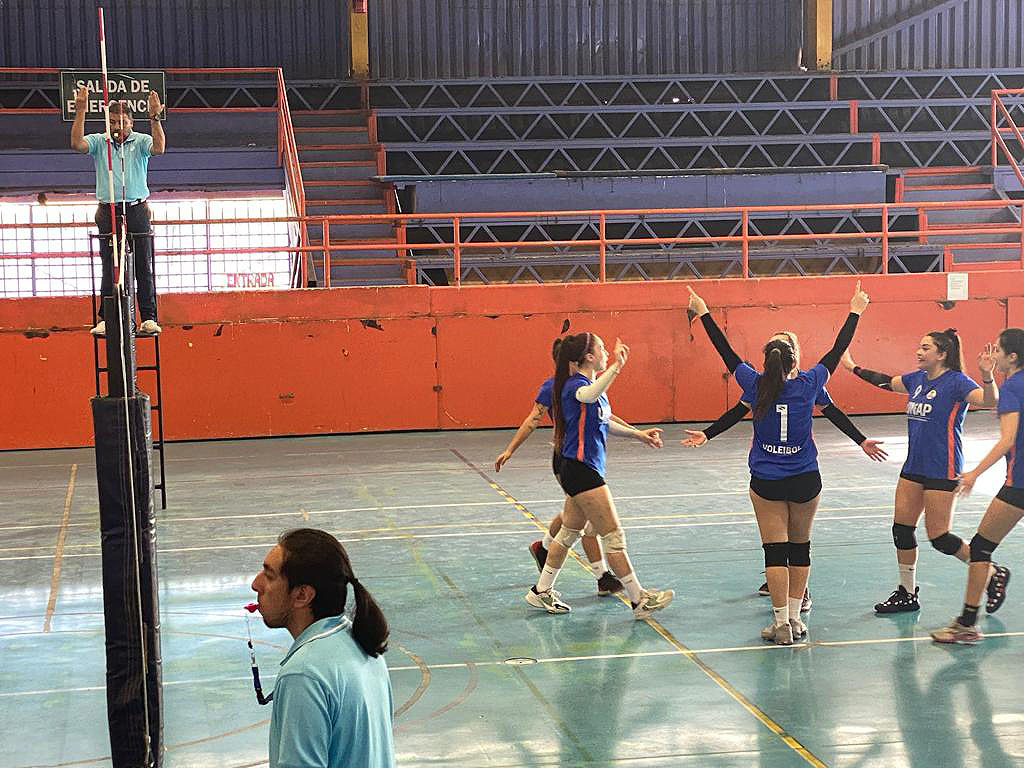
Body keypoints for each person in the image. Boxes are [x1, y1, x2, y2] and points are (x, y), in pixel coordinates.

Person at [688, 281, 870, 644]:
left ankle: (780, 623)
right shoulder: (811, 382)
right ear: (794, 361)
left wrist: (704, 311)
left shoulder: (754, 384)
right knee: (800, 548)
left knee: (775, 551)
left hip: (766, 480)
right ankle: (796, 618)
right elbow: (837, 350)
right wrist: (855, 310)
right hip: (805, 478)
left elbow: (725, 351)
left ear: (766, 360)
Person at [841, 331, 1004, 615]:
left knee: (939, 537)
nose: (918, 351)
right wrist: (852, 367)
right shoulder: (916, 379)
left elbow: (989, 401)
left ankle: (990, 573)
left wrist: (987, 375)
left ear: (942, 354)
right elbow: (885, 381)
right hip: (913, 466)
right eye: (919, 346)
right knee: (902, 530)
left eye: (925, 348)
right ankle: (907, 593)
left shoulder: (957, 382)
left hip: (943, 468)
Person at [495, 338, 662, 597]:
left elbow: (604, 416)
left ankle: (545, 566)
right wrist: (510, 449)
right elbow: (535, 418)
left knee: (574, 523)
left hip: (585, 462)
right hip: (573, 461)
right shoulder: (566, 387)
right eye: (600, 349)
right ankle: (614, 583)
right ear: (579, 359)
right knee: (597, 525)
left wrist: (637, 434)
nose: (604, 352)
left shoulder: (587, 385)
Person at [251, 528, 395, 768]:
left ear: (302, 595)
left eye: (269, 575)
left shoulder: (303, 675)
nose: (256, 584)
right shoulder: (363, 643)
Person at [931, 329, 1024, 644]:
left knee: (981, 547)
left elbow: (1007, 440)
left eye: (997, 350)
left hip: (1019, 483)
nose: (993, 354)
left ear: (1012, 357)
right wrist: (987, 375)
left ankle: (967, 624)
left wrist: (974, 473)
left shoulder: (1013, 387)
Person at [71, 86, 165, 336]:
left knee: (143, 264)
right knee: (109, 265)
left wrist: (155, 117)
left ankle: (148, 317)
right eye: (112, 122)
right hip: (108, 210)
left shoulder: (141, 141)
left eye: (122, 122)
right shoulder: (99, 142)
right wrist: (80, 110)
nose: (117, 127)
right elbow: (77, 144)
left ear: (131, 122)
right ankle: (106, 318)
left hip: (137, 209)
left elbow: (159, 148)